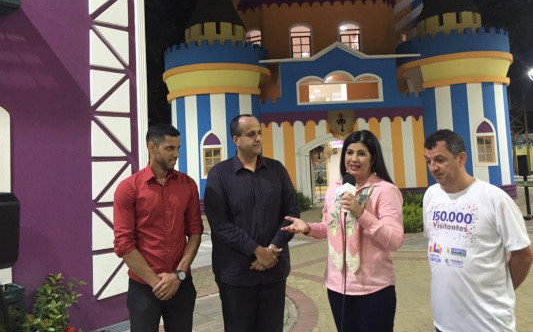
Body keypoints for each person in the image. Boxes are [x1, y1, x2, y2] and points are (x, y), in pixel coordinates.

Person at [282, 129, 404, 332]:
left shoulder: (385, 191)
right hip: (337, 287)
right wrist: (308, 228)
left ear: (373, 158)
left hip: (374, 289)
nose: (353, 159)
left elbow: (395, 240)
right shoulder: (336, 188)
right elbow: (330, 228)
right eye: (349, 152)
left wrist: (361, 213)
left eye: (361, 153)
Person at [423, 129, 533, 332]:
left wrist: (503, 289)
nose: (433, 167)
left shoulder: (494, 199)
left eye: (439, 160)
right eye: (428, 161)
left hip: (487, 323)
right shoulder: (431, 196)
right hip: (444, 323)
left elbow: (523, 254)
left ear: (461, 158)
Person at [204, 114, 299, 332]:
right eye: (251, 134)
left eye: (259, 133)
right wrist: (256, 250)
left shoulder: (276, 170)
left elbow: (291, 213)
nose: (258, 138)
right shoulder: (219, 175)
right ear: (236, 140)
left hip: (273, 271)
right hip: (236, 274)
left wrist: (271, 249)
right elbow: (220, 224)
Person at [113, 123, 203, 332]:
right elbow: (124, 244)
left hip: (181, 285)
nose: (176, 154)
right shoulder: (128, 188)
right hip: (144, 288)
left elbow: (195, 232)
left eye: (178, 148)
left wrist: (178, 276)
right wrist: (157, 283)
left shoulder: (188, 185)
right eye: (170, 148)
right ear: (152, 147)